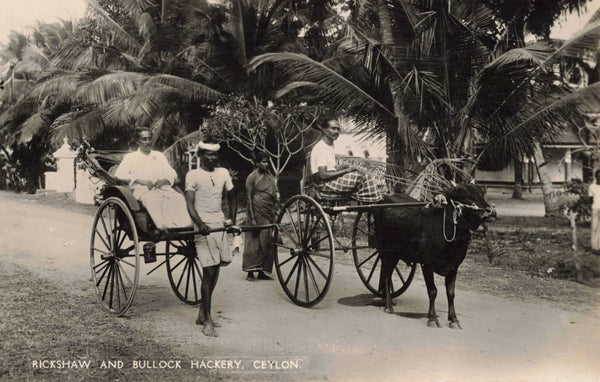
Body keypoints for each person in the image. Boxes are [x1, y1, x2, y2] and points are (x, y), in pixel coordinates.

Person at [185, 140, 237, 337]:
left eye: (215, 155)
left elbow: (233, 196)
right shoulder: (193, 175)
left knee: (216, 270)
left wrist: (230, 219)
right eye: (208, 154)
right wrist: (200, 224)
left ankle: (201, 313)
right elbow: (190, 204)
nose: (213, 158)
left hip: (219, 223)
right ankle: (207, 320)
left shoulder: (223, 173)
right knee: (208, 271)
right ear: (200, 155)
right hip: (202, 225)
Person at [114, 128, 191, 229]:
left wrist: (165, 180)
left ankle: (183, 226)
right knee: (153, 200)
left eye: (149, 139)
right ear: (137, 141)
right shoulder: (130, 157)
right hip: (142, 189)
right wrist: (140, 181)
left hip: (162, 188)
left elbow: (171, 172)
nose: (147, 142)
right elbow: (119, 174)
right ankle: (164, 227)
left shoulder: (158, 155)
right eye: (144, 139)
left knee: (178, 198)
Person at [310, 115, 383, 203]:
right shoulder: (321, 147)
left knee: (364, 172)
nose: (337, 131)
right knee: (360, 175)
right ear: (325, 130)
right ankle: (375, 201)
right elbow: (323, 175)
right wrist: (346, 170)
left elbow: (330, 169)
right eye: (333, 128)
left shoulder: (330, 146)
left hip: (331, 181)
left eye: (338, 129)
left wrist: (343, 166)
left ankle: (373, 201)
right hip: (324, 184)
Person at [242, 151, 279, 281]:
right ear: (257, 163)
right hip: (256, 212)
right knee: (254, 241)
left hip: (268, 213)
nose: (266, 164)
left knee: (267, 241)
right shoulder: (252, 177)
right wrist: (252, 218)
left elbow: (274, 194)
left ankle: (262, 271)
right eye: (263, 161)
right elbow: (248, 198)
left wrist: (275, 208)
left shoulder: (270, 177)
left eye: (267, 161)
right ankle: (250, 272)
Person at [589, 169, 600, 251]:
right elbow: (590, 200)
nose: (599, 177)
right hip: (595, 209)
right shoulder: (592, 187)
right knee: (594, 227)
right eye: (598, 175)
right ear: (596, 177)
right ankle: (594, 247)